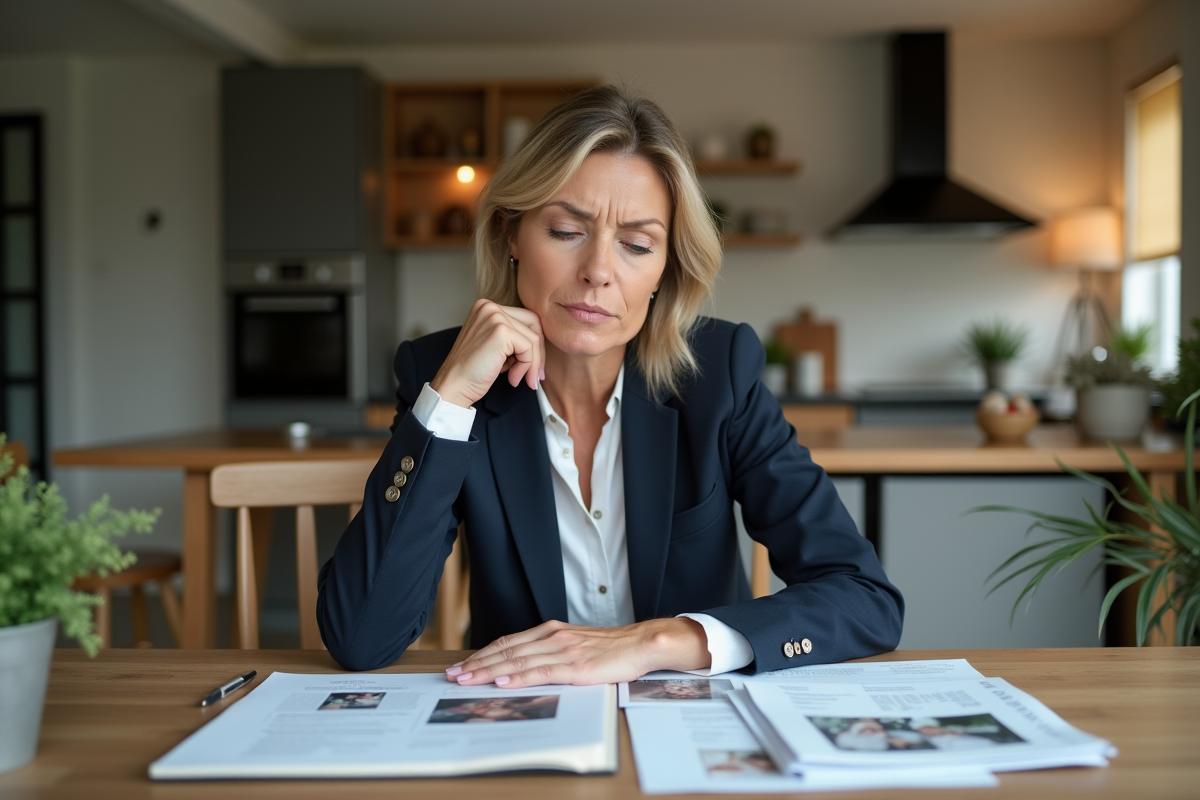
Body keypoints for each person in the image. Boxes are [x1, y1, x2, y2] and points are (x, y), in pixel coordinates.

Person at [316, 85, 903, 685]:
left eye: (637, 245)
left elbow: (864, 597)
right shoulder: (439, 372)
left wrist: (658, 640)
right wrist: (448, 402)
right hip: (523, 713)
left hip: (692, 714)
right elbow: (361, 639)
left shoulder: (720, 372)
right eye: (565, 231)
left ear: (664, 268)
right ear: (512, 235)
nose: (598, 271)